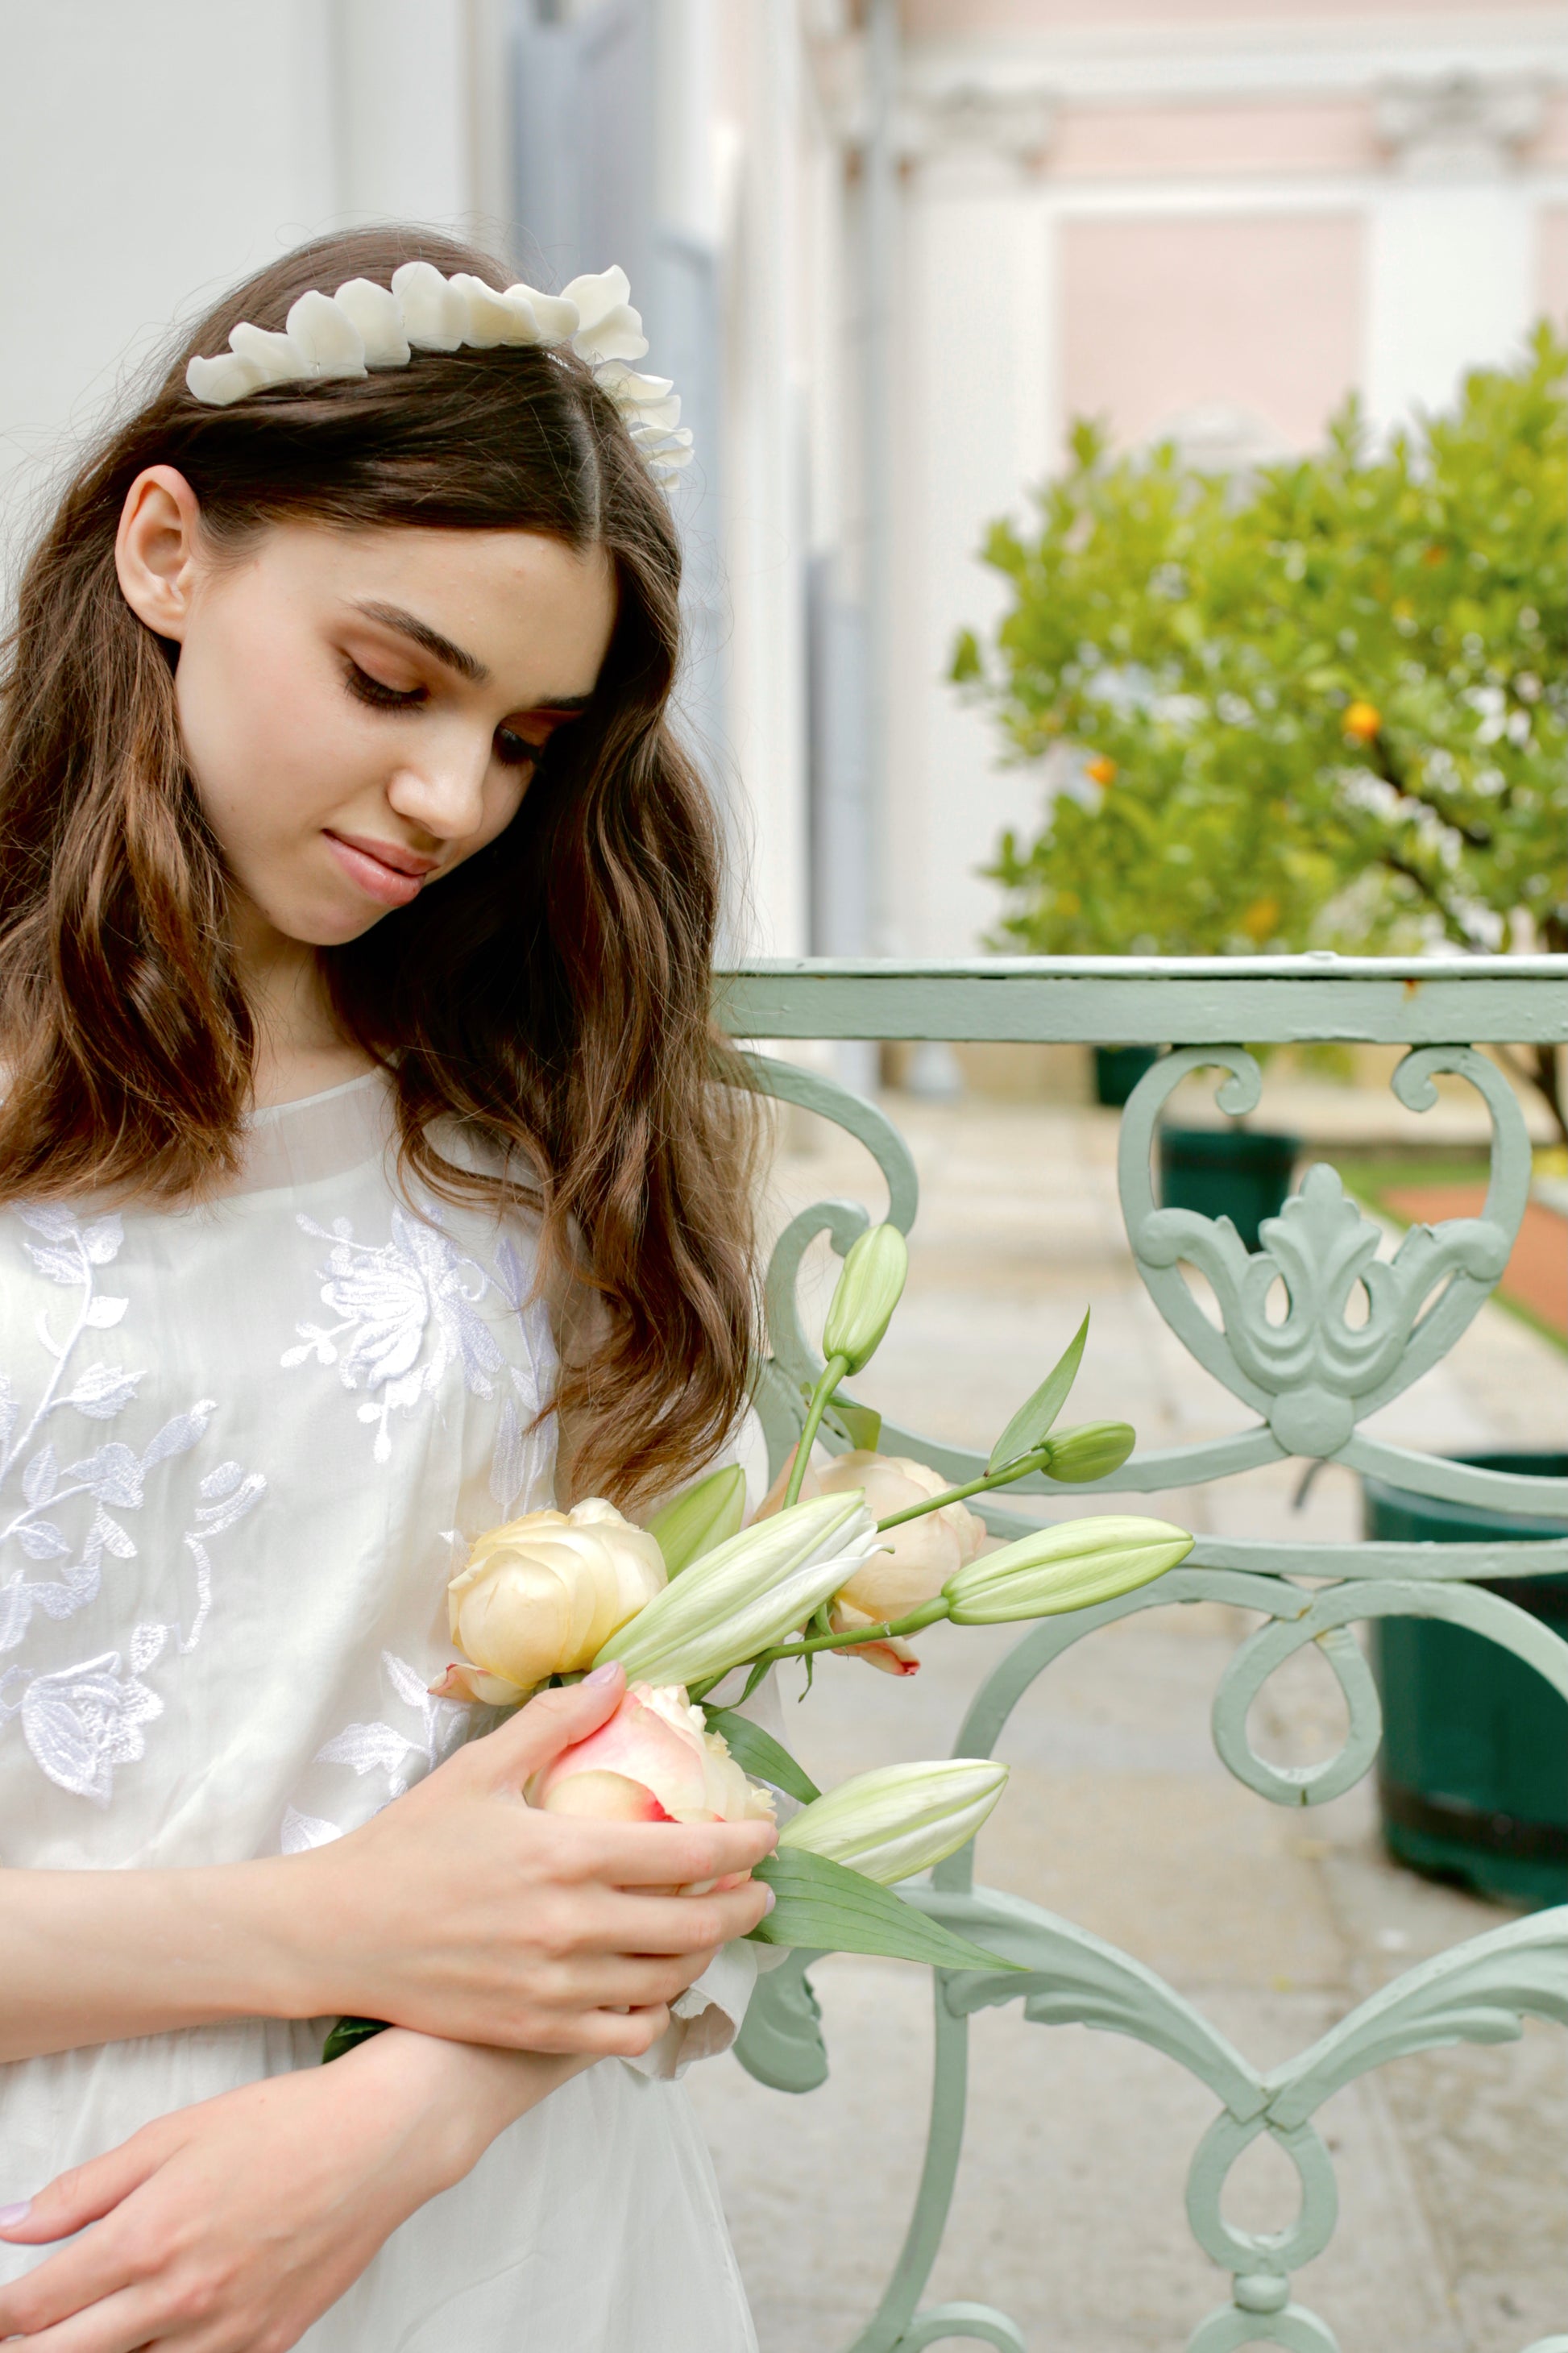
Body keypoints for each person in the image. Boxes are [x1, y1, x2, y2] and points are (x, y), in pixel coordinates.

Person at [0, 226, 774, 2351]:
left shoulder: (550, 1126)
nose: (452, 798)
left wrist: (409, 2118)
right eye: (389, 680)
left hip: (507, 2228)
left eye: (529, 738)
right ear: (168, 547)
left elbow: (694, 1763)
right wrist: (340, 1927)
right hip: (68, 2235)